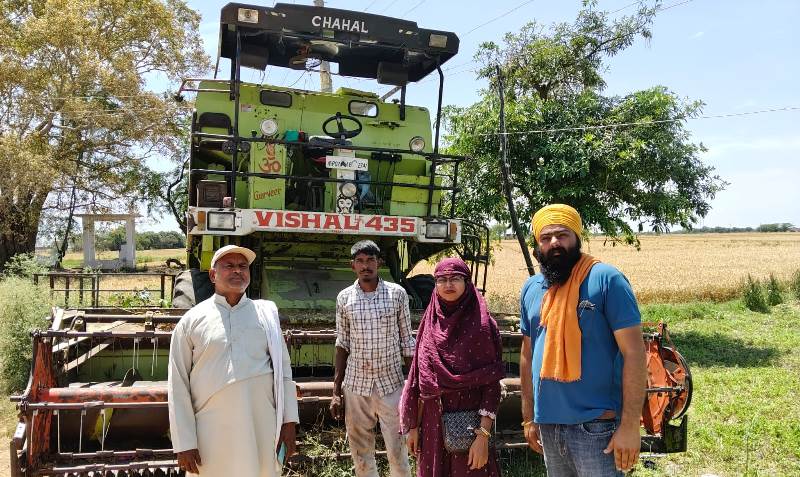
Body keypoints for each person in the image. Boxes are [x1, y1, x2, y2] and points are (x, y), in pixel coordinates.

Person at [519, 204, 647, 476]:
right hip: (548, 425)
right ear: (537, 245)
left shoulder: (607, 279)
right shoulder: (532, 288)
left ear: (577, 238)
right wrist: (528, 417)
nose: (554, 242)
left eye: (562, 235)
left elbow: (635, 353)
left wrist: (629, 426)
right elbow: (527, 354)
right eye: (546, 237)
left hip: (598, 426)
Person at [168, 245, 299, 476]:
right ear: (213, 275)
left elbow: (284, 373)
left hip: (261, 425)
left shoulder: (266, 315)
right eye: (229, 266)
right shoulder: (191, 321)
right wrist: (184, 442)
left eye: (243, 266)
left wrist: (289, 423)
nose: (237, 271)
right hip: (210, 430)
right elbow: (177, 384)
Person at [399, 257, 505, 477]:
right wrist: (413, 427)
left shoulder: (484, 326)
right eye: (441, 279)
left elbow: (492, 383)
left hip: (471, 426)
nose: (448, 285)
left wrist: (483, 436)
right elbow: (418, 379)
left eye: (455, 278)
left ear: (467, 282)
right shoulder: (428, 325)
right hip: (432, 425)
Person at [330, 240, 414, 477]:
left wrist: (413, 386)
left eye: (370, 260)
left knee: (398, 449)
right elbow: (342, 344)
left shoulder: (397, 294)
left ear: (380, 263)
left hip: (391, 383)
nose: (365, 266)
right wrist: (336, 391)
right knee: (361, 452)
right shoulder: (344, 298)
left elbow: (407, 341)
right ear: (353, 266)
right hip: (356, 386)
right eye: (360, 261)